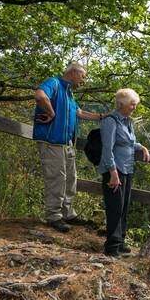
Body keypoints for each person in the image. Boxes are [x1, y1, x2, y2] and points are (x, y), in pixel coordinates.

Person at [33, 63, 103, 232]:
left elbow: (80, 113)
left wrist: (104, 116)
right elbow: (40, 95)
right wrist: (51, 113)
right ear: (73, 72)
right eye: (83, 76)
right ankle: (53, 216)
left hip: (67, 143)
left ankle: (67, 213)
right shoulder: (54, 83)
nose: (84, 81)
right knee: (57, 177)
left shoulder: (69, 93)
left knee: (71, 178)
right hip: (52, 141)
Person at [98, 88, 150, 257]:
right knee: (114, 208)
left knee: (123, 207)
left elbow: (129, 143)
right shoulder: (110, 121)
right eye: (132, 104)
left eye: (135, 104)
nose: (134, 107)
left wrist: (141, 147)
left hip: (127, 168)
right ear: (121, 104)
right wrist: (113, 172)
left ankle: (120, 241)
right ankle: (111, 247)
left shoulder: (127, 121)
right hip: (115, 170)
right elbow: (107, 149)